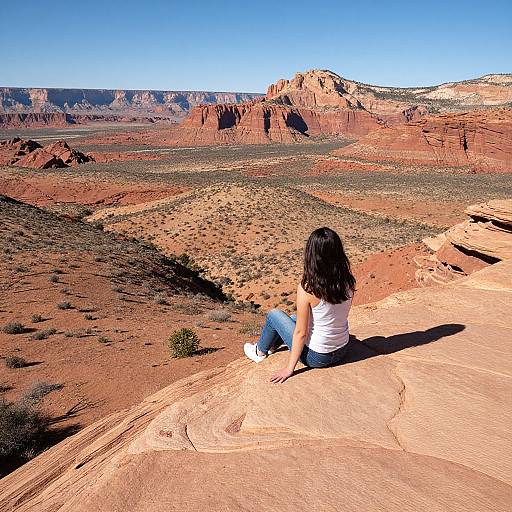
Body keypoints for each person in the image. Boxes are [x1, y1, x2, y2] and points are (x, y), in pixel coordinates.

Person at [244, 227, 356, 384]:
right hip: (343, 349)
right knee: (293, 318)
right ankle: (273, 345)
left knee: (274, 315)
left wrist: (289, 369)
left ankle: (260, 352)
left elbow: (301, 333)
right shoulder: (348, 281)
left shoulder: (309, 288)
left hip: (317, 357)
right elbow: (335, 315)